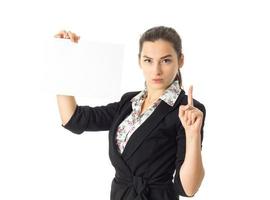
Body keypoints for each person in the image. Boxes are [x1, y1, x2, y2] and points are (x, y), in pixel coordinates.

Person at [55, 26, 206, 200]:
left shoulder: (187, 110)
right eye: (148, 60)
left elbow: (188, 188)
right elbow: (74, 119)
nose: (156, 70)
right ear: (139, 61)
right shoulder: (129, 102)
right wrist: (63, 59)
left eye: (166, 60)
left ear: (180, 60)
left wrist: (193, 134)